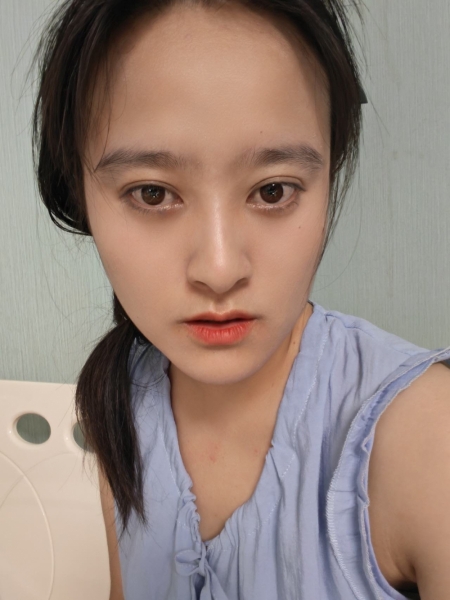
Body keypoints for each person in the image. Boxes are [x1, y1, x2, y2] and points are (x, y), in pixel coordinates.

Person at [31, 0, 450, 598]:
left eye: (273, 190)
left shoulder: (426, 434)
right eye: (152, 193)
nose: (220, 269)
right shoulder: (121, 392)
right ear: (80, 197)